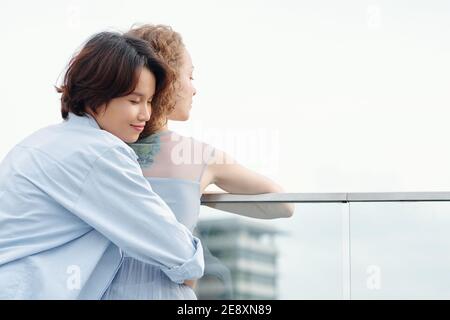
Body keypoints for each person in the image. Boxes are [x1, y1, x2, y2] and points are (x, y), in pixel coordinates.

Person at [0, 31, 204, 299]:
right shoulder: (101, 153)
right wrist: (191, 268)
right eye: (134, 101)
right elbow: (178, 252)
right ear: (96, 95)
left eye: (150, 101)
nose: (145, 114)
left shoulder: (35, 144)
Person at [100, 24, 294, 300]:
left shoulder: (98, 151)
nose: (194, 89)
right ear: (166, 80)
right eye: (190, 76)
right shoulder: (197, 156)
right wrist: (201, 192)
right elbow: (283, 205)